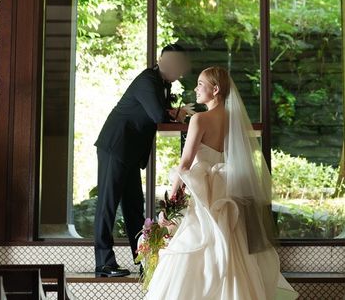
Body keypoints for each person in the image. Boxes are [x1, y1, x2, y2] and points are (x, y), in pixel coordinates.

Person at [145, 66, 298, 299]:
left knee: (196, 247)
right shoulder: (234, 121)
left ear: (215, 89)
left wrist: (169, 204)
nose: (196, 89)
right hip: (226, 194)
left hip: (204, 194)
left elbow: (185, 165)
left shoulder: (199, 119)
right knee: (233, 247)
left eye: (200, 84)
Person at [94, 44, 190, 277]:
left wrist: (175, 113)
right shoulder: (148, 80)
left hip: (130, 151)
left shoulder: (163, 84)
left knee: (134, 207)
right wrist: (177, 113)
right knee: (107, 204)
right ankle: (104, 264)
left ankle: (145, 261)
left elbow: (161, 113)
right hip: (115, 146)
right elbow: (158, 115)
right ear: (161, 61)